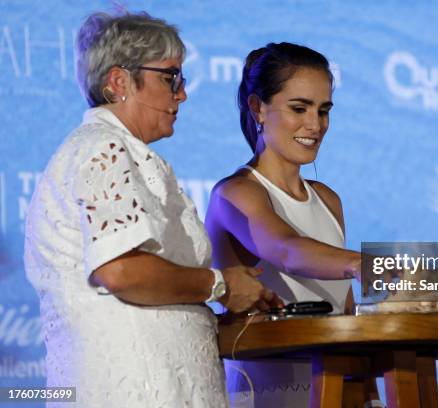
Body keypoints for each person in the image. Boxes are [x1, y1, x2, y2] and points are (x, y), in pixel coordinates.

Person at [24, 11, 280, 408]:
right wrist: (222, 285)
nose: (182, 93)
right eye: (170, 78)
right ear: (118, 82)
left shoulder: (122, 152)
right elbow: (122, 271)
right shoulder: (102, 149)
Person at [204, 42, 361, 407]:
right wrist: (362, 263)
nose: (315, 125)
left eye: (323, 110)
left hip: (337, 390)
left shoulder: (329, 200)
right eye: (299, 108)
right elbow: (285, 249)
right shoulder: (237, 192)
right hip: (267, 394)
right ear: (258, 107)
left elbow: (346, 312)